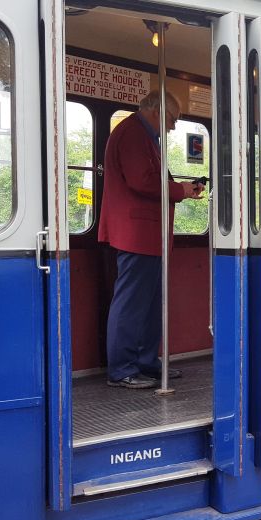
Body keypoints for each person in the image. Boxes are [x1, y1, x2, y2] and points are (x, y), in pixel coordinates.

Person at [98, 91, 204, 389]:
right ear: (157, 111)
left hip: (149, 236)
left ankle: (145, 362)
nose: (172, 127)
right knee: (132, 303)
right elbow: (141, 180)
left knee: (151, 304)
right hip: (136, 235)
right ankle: (121, 369)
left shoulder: (145, 138)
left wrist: (180, 188)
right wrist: (180, 190)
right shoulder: (132, 133)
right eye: (172, 119)